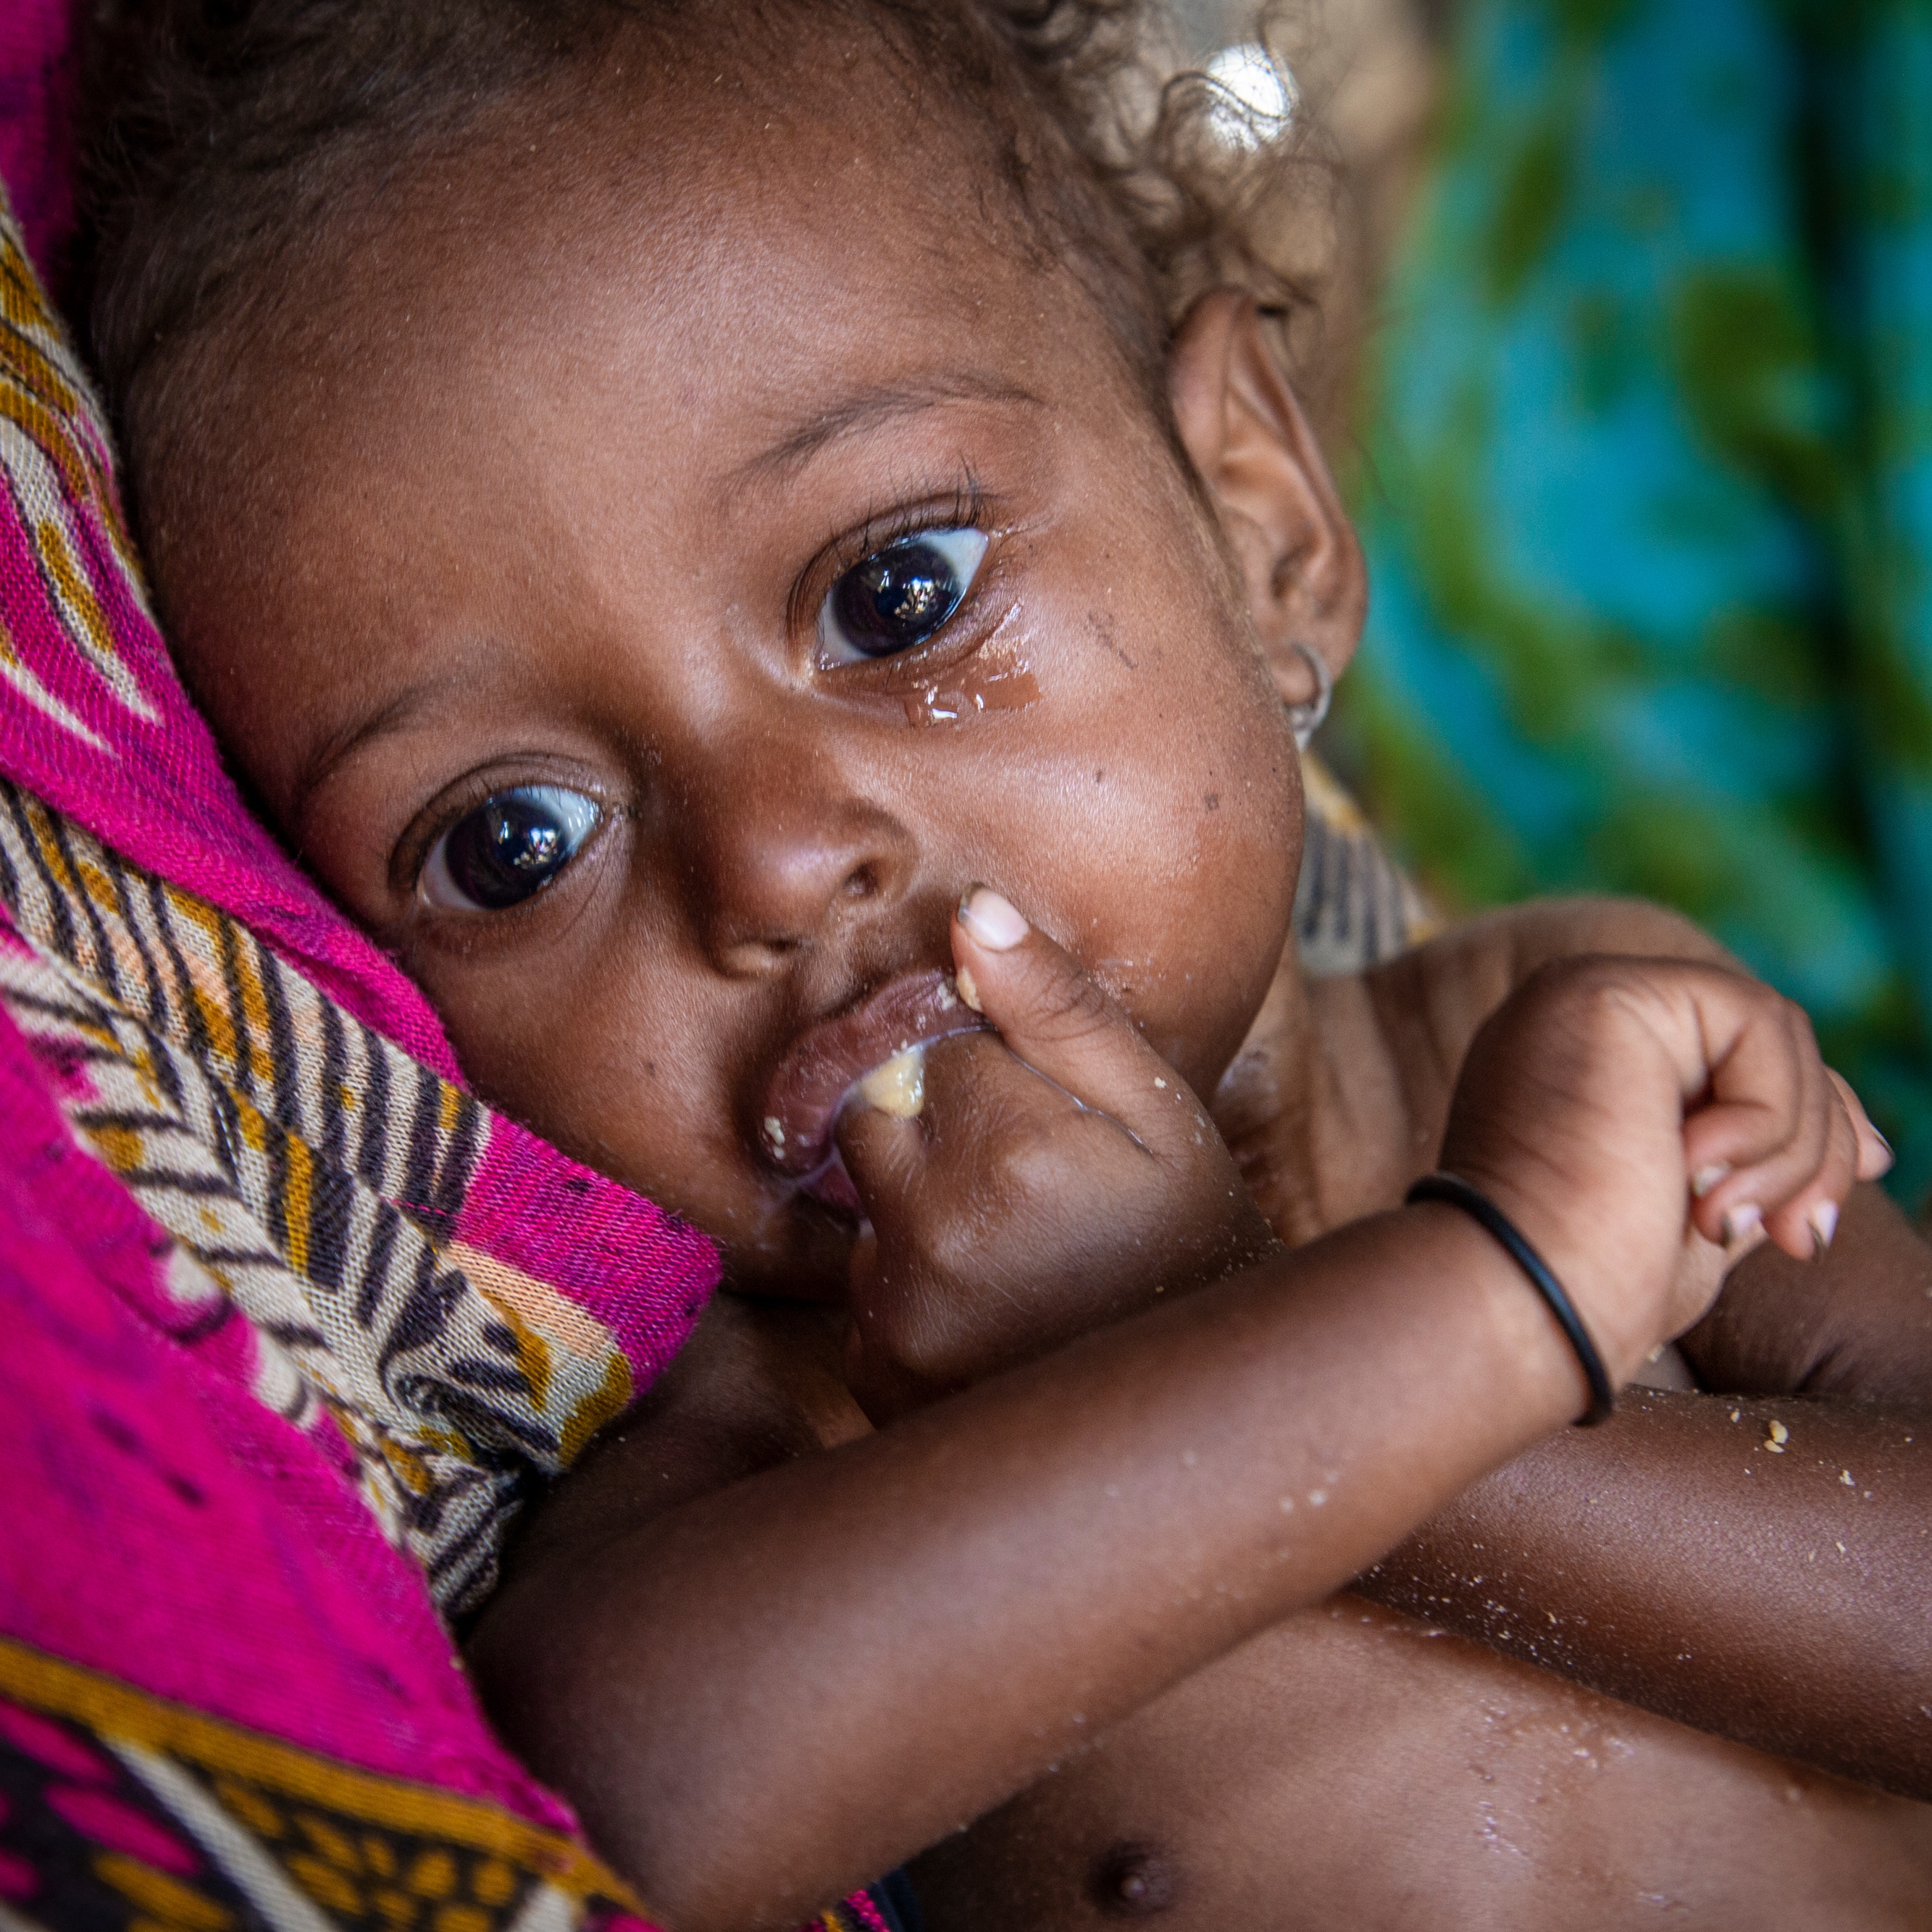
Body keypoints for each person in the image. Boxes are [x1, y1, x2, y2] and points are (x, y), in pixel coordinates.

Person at [71, 2, 1931, 1927]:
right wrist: (1468, 1325)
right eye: (511, 841)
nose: (778, 862)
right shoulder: (778, 1426)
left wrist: (1196, 1310)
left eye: (897, 593)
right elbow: (613, 1803)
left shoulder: (1560, 1045)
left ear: (1260, 528)